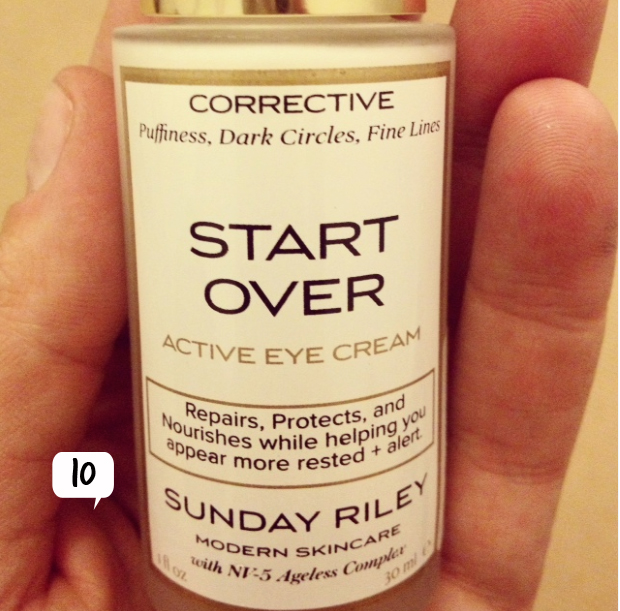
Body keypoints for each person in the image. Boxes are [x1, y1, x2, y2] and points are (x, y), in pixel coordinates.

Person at [0, 1, 616, 610]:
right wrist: (79, 485)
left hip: (379, 510)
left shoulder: (402, 53)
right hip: (185, 515)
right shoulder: (158, 50)